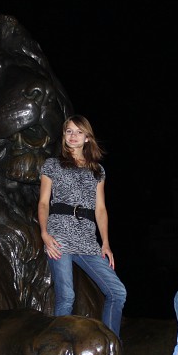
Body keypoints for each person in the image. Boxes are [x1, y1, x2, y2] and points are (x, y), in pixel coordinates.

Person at [38, 115, 127, 337]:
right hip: (59, 235)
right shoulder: (53, 165)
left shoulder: (97, 170)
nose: (73, 136)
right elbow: (43, 202)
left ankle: (110, 346)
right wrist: (44, 234)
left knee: (117, 292)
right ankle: (57, 348)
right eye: (69, 131)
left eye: (79, 132)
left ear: (87, 138)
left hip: (87, 239)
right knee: (67, 296)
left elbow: (101, 209)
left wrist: (105, 243)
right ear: (64, 136)